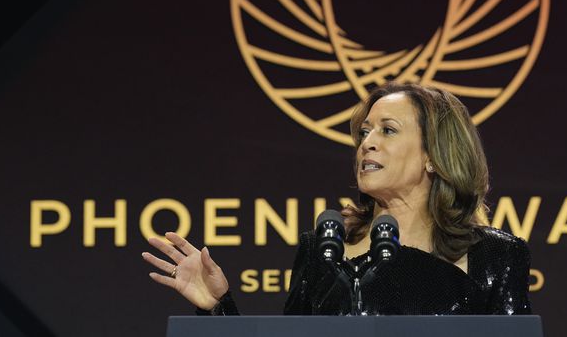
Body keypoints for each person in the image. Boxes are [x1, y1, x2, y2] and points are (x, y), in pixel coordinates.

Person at [142, 82, 532, 315]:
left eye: (388, 130)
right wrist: (218, 306)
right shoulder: (324, 250)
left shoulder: (494, 256)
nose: (368, 144)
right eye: (364, 133)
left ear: (434, 156)